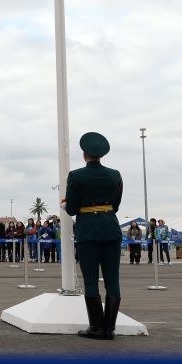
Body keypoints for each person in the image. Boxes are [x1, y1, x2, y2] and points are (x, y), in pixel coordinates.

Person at [63, 131, 123, 340]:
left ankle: (97, 327)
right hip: (110, 229)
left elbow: (71, 209)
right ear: (102, 155)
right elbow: (114, 205)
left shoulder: (76, 175)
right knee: (112, 280)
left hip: (88, 230)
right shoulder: (115, 175)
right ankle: (110, 329)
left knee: (90, 281)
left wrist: (66, 204)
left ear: (84, 154)